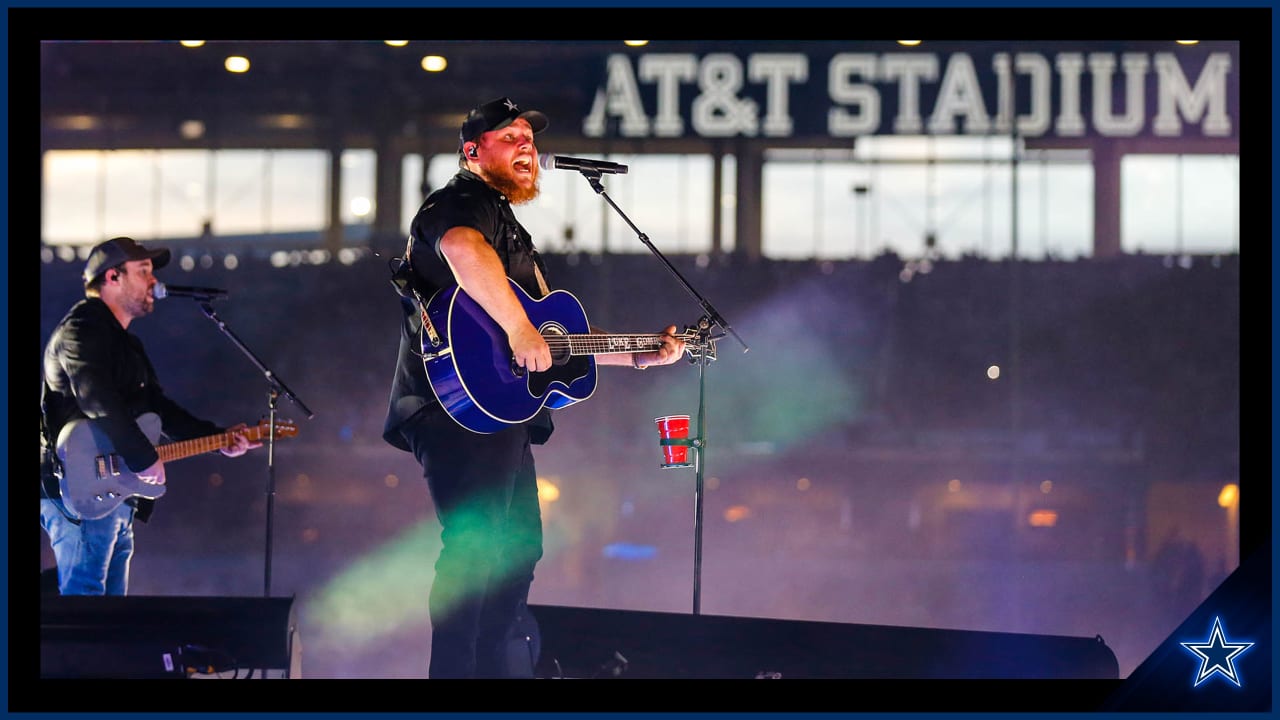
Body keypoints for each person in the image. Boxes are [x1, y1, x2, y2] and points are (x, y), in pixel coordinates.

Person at [382, 97, 687, 678]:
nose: (528, 147)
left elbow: (555, 343)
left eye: (530, 137)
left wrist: (635, 355)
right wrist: (520, 329)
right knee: (476, 552)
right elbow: (461, 249)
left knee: (516, 550)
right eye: (511, 137)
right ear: (473, 151)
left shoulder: (504, 217)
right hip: (456, 406)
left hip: (496, 410)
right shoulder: (463, 201)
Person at [40, 236, 261, 596]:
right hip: (78, 489)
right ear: (113, 277)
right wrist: (143, 458)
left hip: (114, 494)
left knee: (110, 616)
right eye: (143, 271)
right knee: (86, 608)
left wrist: (219, 438)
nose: (153, 282)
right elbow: (96, 398)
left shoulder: (127, 343)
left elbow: (157, 409)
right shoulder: (81, 328)